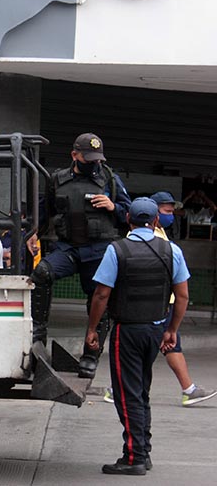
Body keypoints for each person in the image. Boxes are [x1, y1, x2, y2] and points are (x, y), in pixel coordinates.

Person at [86, 197, 190, 475]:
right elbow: (182, 296)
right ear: (156, 222)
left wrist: (93, 328)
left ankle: (134, 457)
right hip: (155, 329)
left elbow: (102, 294)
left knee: (128, 394)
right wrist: (171, 330)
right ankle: (143, 450)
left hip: (127, 331)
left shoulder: (116, 250)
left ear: (128, 221)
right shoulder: (172, 251)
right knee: (140, 391)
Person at [30, 133, 132, 378]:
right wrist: (32, 233)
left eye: (97, 158)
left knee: (101, 300)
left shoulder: (110, 179)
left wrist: (113, 206)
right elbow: (44, 212)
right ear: (74, 155)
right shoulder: (57, 180)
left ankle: (90, 356)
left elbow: (130, 215)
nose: (93, 162)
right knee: (41, 273)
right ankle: (37, 337)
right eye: (88, 157)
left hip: (99, 250)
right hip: (68, 248)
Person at [104, 191, 216, 407]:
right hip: (158, 305)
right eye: (166, 211)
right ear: (153, 215)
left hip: (163, 303)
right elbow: (183, 292)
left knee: (163, 346)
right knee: (165, 345)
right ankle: (186, 389)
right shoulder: (143, 239)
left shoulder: (159, 235)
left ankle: (187, 389)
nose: (170, 215)